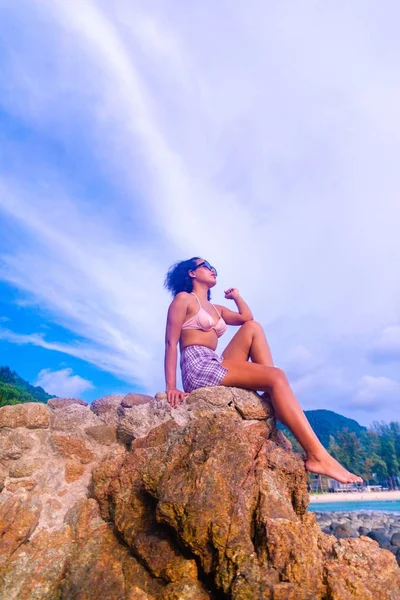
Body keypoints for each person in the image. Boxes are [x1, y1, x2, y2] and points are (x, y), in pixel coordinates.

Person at [164, 256, 363, 484]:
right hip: (198, 365)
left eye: (213, 267)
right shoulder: (183, 299)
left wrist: (237, 296)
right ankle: (317, 456)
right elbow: (171, 343)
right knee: (276, 375)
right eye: (206, 266)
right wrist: (171, 387)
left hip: (215, 361)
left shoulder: (216, 308)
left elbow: (246, 318)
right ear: (191, 273)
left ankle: (272, 394)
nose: (212, 270)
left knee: (253, 328)